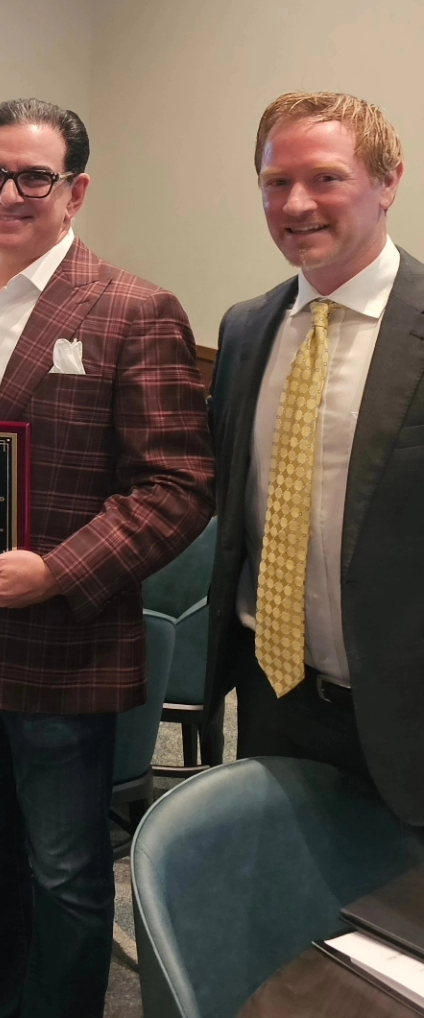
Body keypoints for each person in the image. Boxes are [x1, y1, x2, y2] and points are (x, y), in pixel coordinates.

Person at [0, 98, 212, 1018]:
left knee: (65, 868)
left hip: (57, 634)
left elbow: (180, 486)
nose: (8, 193)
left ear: (76, 191)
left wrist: (60, 570)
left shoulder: (133, 310)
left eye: (34, 177)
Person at [204, 91, 423, 825]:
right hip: (274, 697)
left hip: (405, 713)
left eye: (326, 178)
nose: (297, 204)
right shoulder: (246, 329)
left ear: (389, 182)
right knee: (282, 914)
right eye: (276, 183)